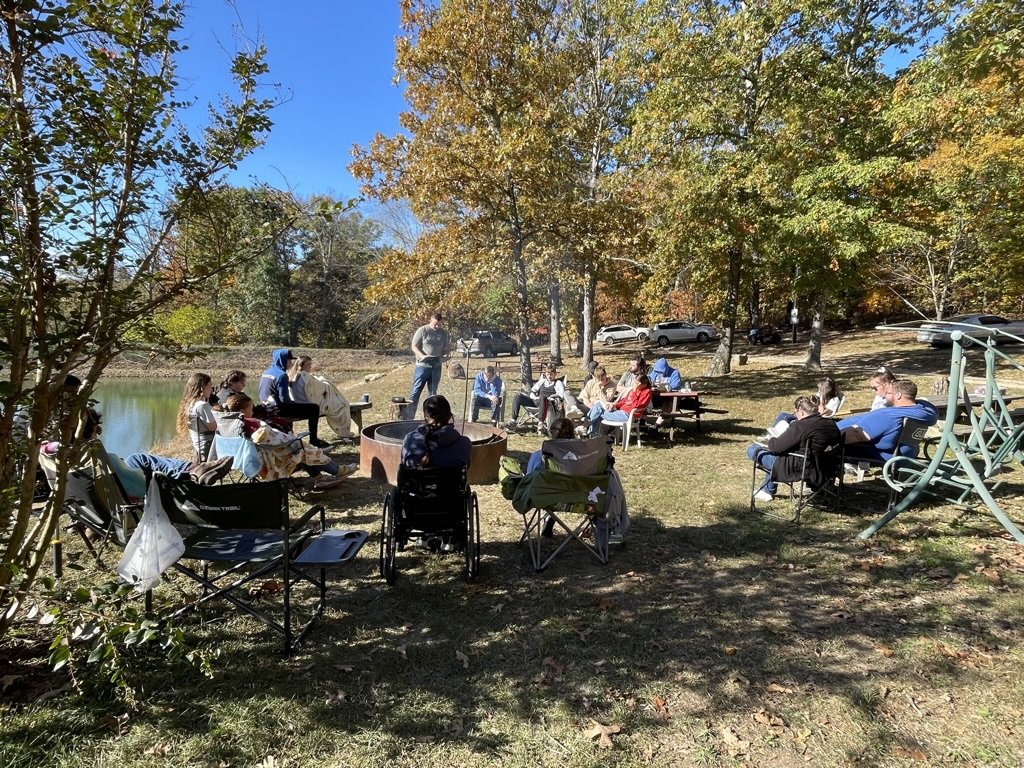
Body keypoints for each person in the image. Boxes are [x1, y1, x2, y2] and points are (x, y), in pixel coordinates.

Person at [220, 393, 354, 489]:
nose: (253, 410)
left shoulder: (230, 425)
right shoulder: (253, 424)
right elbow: (274, 439)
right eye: (251, 408)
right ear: (243, 410)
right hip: (269, 461)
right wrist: (291, 438)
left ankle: (319, 477)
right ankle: (337, 470)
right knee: (301, 448)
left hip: (246, 460)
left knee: (299, 448)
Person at [747, 395, 842, 502]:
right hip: (826, 467)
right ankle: (767, 490)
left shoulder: (800, 426)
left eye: (795, 412)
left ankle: (767, 491)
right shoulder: (831, 424)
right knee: (780, 453)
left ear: (801, 412)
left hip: (800, 468)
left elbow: (777, 447)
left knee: (753, 449)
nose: (794, 415)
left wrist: (770, 440)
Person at [837, 379, 938, 463]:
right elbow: (922, 402)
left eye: (888, 393)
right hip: (907, 454)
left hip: (881, 454)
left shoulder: (889, 415)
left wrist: (830, 437)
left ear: (898, 395)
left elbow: (857, 434)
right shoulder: (925, 412)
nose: (884, 396)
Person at [258, 349, 327, 448]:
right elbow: (284, 399)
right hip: (276, 409)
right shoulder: (281, 375)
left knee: (295, 406)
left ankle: (289, 436)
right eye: (289, 360)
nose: (291, 362)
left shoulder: (267, 372)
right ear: (282, 360)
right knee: (314, 408)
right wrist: (294, 403)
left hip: (264, 406)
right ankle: (314, 440)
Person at [288, 355, 354, 439]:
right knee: (342, 405)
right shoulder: (306, 377)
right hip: (308, 405)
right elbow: (322, 387)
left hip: (299, 403)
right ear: (302, 365)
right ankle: (344, 431)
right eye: (308, 364)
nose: (310, 366)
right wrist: (323, 379)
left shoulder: (292, 375)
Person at [401, 395, 471, 469]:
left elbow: (404, 466)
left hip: (416, 480)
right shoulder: (465, 443)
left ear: (426, 418)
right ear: (449, 416)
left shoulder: (410, 439)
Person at [408, 310, 450, 417]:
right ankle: (409, 416)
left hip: (436, 365)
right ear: (430, 321)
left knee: (433, 393)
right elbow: (414, 346)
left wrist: (446, 355)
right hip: (423, 366)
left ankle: (431, 417)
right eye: (435, 324)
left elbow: (446, 348)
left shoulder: (443, 333)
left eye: (439, 325)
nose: (437, 327)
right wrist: (422, 356)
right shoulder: (422, 330)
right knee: (416, 391)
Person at [506, 363, 567, 434]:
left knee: (543, 398)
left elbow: (561, 395)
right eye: (548, 374)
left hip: (548, 404)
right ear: (545, 374)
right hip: (536, 401)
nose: (549, 376)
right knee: (517, 397)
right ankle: (513, 421)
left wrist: (550, 398)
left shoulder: (558, 383)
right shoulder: (542, 381)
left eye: (551, 374)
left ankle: (540, 423)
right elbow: (532, 391)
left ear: (555, 374)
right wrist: (534, 397)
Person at [587, 373, 653, 437]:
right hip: (619, 412)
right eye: (635, 382)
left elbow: (636, 405)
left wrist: (634, 392)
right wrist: (615, 405)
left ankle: (588, 423)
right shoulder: (632, 391)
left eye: (637, 383)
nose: (635, 384)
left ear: (644, 384)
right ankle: (592, 433)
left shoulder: (646, 392)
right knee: (598, 406)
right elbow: (624, 401)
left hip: (629, 415)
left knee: (598, 412)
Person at [177, 372, 218, 461]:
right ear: (202, 387)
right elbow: (213, 427)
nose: (212, 389)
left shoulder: (189, 403)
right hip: (209, 446)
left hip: (198, 444)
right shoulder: (202, 405)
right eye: (210, 386)